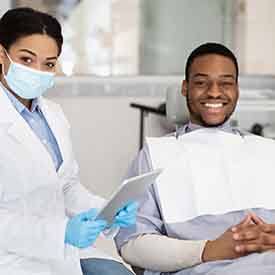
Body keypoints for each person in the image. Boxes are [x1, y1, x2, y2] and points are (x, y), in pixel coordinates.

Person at [115, 42, 275, 275]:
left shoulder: (266, 151)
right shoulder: (156, 156)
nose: (214, 92)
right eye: (201, 83)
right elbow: (132, 245)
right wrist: (208, 250)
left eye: (226, 83)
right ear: (185, 88)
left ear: (237, 89)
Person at [0, 7, 137, 275]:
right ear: (1, 55)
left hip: (59, 255)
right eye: (27, 60)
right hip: (10, 260)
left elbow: (65, 186)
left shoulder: (53, 115)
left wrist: (104, 211)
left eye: (49, 64)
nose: (38, 71)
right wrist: (60, 233)